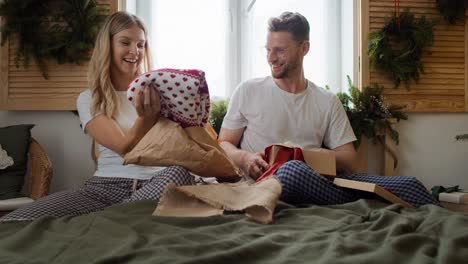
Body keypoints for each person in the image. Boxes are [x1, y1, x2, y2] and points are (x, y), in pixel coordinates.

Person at [218, 11, 438, 208]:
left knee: (409, 184)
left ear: (304, 48)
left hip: (317, 182)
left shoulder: (326, 100)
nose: (270, 58)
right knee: (291, 172)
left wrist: (306, 155)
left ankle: (445, 220)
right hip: (268, 184)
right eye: (268, 49)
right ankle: (363, 201)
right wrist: (245, 158)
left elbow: (347, 158)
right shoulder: (248, 90)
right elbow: (224, 143)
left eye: (279, 50)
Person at [0, 12, 194, 222]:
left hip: (156, 184)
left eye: (141, 44)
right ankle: (118, 216)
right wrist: (146, 119)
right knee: (13, 221)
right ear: (108, 46)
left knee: (180, 172)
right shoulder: (90, 99)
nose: (134, 51)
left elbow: (186, 145)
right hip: (105, 188)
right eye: (125, 42)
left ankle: (110, 219)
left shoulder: (160, 92)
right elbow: (123, 148)